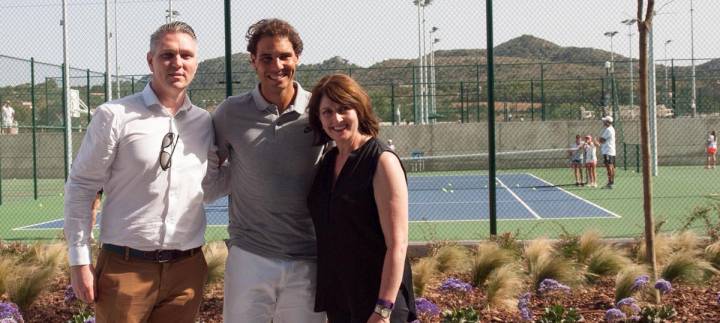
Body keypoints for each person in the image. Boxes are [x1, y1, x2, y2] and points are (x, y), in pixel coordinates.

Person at [64, 21, 226, 322]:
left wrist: (250, 168)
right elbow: (81, 187)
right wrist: (79, 262)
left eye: (186, 55)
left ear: (196, 63)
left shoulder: (204, 123)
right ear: (151, 60)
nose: (177, 62)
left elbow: (207, 189)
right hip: (125, 268)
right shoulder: (114, 116)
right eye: (167, 55)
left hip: (187, 271)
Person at [212, 18, 325, 323]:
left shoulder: (319, 112)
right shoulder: (230, 112)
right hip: (249, 256)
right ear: (253, 62)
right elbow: (208, 172)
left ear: (297, 58)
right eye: (266, 57)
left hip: (309, 258)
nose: (277, 65)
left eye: (285, 56)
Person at [307, 74, 418, 323]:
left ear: (359, 109)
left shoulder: (382, 161)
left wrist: (383, 309)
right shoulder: (327, 162)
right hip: (340, 298)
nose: (335, 118)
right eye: (327, 112)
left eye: (343, 108)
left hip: (377, 302)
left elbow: (397, 245)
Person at [598, 115, 616, 189]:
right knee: (611, 166)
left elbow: (602, 140)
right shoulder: (611, 129)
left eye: (604, 121)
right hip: (610, 150)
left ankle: (610, 183)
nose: (603, 122)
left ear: (607, 122)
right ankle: (611, 182)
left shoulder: (608, 130)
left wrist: (599, 139)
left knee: (609, 167)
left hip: (608, 151)